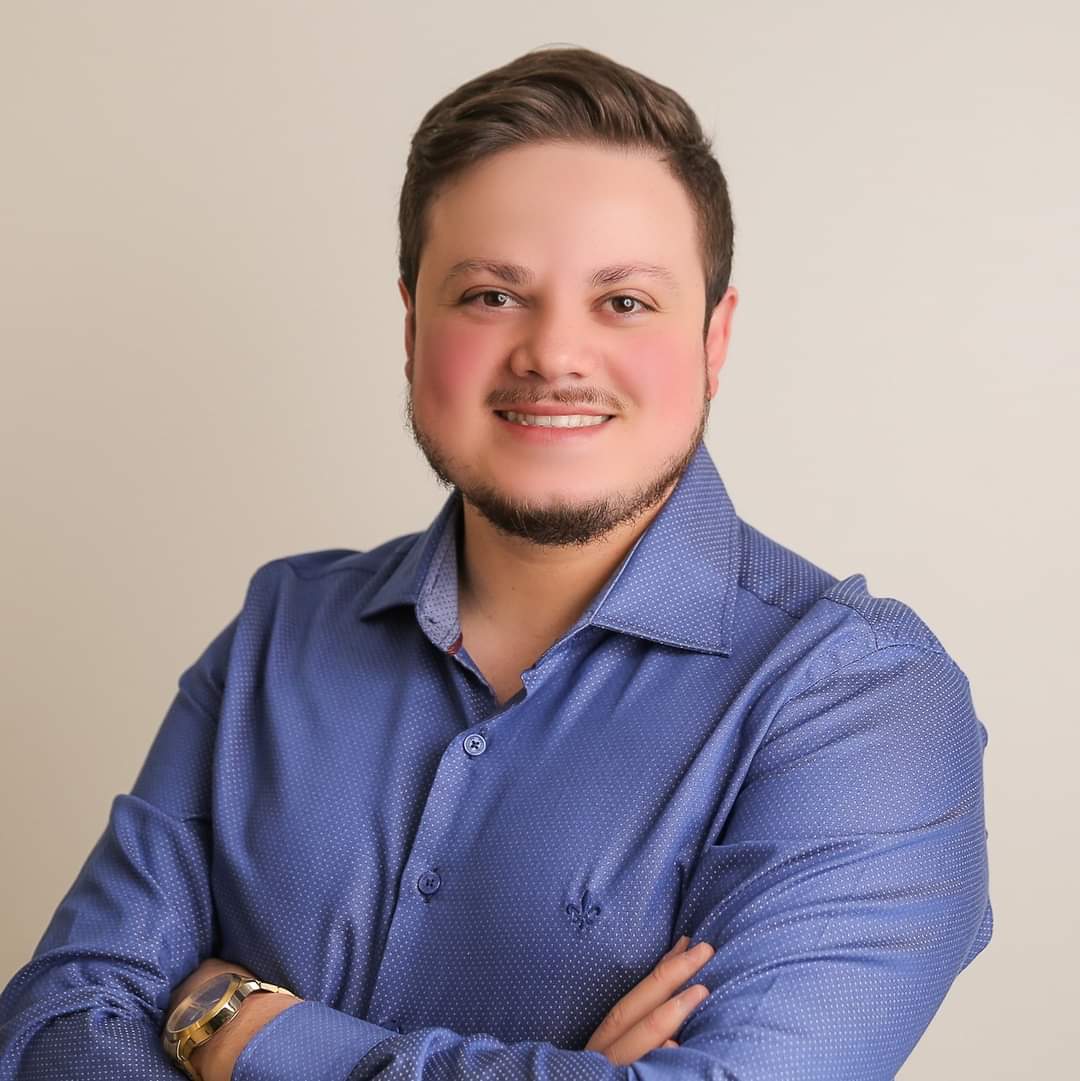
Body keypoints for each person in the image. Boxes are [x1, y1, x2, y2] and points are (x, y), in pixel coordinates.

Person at [0, 44, 992, 1081]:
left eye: (624, 301)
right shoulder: (277, 630)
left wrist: (241, 1030)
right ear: (412, 328)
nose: (553, 354)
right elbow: (54, 1029)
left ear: (715, 338)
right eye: (489, 295)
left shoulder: (860, 702)